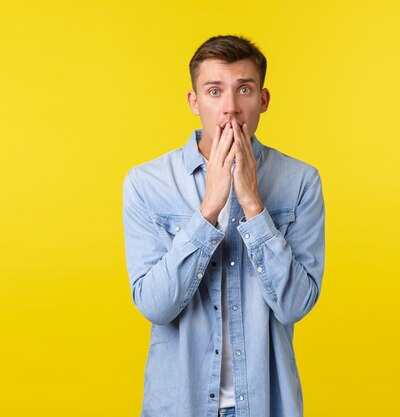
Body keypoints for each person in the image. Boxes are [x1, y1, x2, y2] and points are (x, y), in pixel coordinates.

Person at [122, 35, 325, 417]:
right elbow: (155, 305)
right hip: (180, 405)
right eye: (214, 91)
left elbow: (296, 305)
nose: (230, 109)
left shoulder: (301, 181)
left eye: (243, 89)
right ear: (194, 101)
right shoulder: (147, 183)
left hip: (268, 404)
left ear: (263, 99)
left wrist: (252, 204)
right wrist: (209, 207)